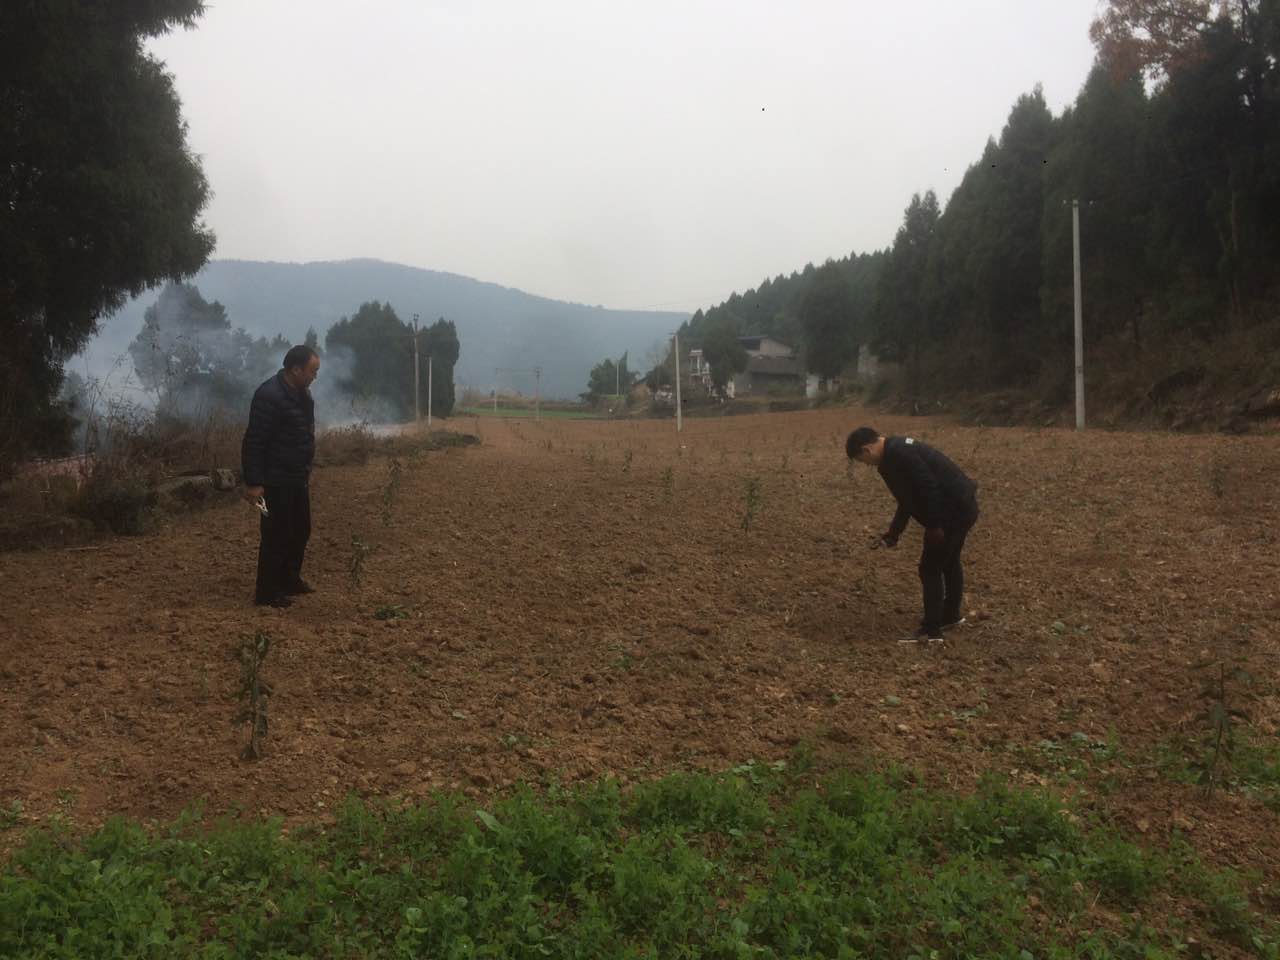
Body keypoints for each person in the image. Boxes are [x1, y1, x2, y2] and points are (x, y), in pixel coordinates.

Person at [846, 426, 979, 642]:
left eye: (862, 461)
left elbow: (928, 486)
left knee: (930, 568)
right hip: (962, 507)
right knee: (949, 561)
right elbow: (907, 499)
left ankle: (931, 631)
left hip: (954, 511)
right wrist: (894, 533)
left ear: (866, 450)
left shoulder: (899, 454)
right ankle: (950, 616)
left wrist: (935, 525)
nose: (867, 465)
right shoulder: (893, 454)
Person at [241, 345, 321, 607]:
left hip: (296, 477)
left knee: (300, 530)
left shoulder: (302, 395)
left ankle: (289, 579)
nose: (314, 377)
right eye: (312, 371)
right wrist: (254, 483)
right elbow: (254, 441)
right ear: (295, 369)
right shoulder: (269, 396)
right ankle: (266, 592)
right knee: (275, 534)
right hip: (274, 480)